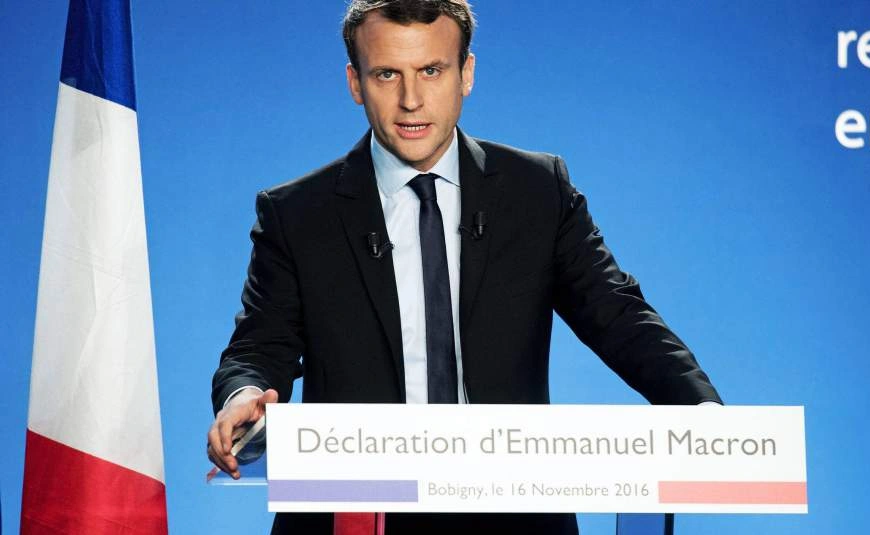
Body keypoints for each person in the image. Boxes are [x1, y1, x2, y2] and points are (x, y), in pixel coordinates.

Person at [207, 1, 721, 533]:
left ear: (466, 73)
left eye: (432, 70)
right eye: (387, 74)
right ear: (355, 83)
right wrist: (245, 397)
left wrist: (703, 416)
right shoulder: (296, 214)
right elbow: (258, 348)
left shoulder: (537, 192)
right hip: (353, 512)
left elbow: (617, 315)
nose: (411, 100)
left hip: (512, 517)